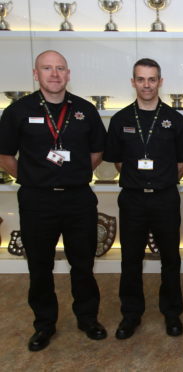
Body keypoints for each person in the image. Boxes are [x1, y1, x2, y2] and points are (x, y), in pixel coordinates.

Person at [0, 50, 107, 351]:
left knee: (83, 264)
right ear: (36, 74)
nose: (54, 74)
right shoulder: (18, 110)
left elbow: (96, 153)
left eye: (60, 68)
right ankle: (44, 325)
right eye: (47, 68)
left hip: (78, 200)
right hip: (37, 201)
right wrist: (34, 178)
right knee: (40, 265)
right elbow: (5, 155)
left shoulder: (85, 110)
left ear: (68, 73)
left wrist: (72, 175)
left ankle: (88, 319)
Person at [103, 58, 183, 339]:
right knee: (130, 259)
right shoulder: (121, 119)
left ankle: (172, 314)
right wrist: (139, 181)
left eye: (152, 79)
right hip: (132, 200)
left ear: (160, 82)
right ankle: (131, 315)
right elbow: (118, 162)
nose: (146, 85)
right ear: (133, 82)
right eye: (141, 79)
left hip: (165, 199)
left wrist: (161, 181)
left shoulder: (175, 120)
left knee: (171, 258)